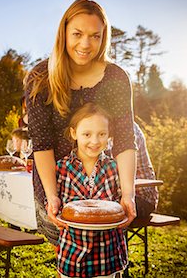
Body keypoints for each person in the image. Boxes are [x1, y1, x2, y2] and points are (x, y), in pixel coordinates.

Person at [24, 0, 137, 245]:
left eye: (95, 36)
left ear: (104, 37)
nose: (85, 44)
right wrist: (52, 196)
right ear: (63, 32)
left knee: (106, 255)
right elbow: (41, 144)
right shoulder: (40, 78)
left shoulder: (116, 77)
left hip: (104, 186)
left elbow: (126, 140)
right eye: (77, 34)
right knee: (68, 257)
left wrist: (128, 194)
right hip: (56, 185)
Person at [57, 103, 127, 278]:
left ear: (108, 134)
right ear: (74, 133)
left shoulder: (114, 167)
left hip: (108, 254)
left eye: (101, 134)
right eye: (87, 134)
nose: (95, 141)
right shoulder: (61, 167)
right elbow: (54, 204)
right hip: (72, 253)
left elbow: (121, 206)